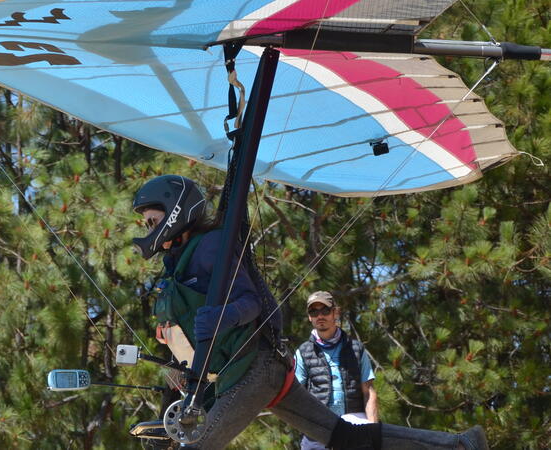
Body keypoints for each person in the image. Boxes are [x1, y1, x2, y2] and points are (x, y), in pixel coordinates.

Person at [135, 174, 487, 450]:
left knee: (197, 445)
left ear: (177, 212)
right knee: (345, 439)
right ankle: (459, 444)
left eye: (153, 221)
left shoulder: (210, 246)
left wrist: (224, 316)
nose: (149, 230)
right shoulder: (176, 265)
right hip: (242, 373)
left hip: (252, 370)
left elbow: (250, 303)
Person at [296, 291, 378, 449]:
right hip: (318, 429)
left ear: (336, 312)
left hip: (355, 425)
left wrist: (372, 431)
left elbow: (369, 393)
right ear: (309, 317)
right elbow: (297, 395)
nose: (320, 316)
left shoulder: (356, 349)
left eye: (325, 310)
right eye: (314, 312)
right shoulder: (302, 352)